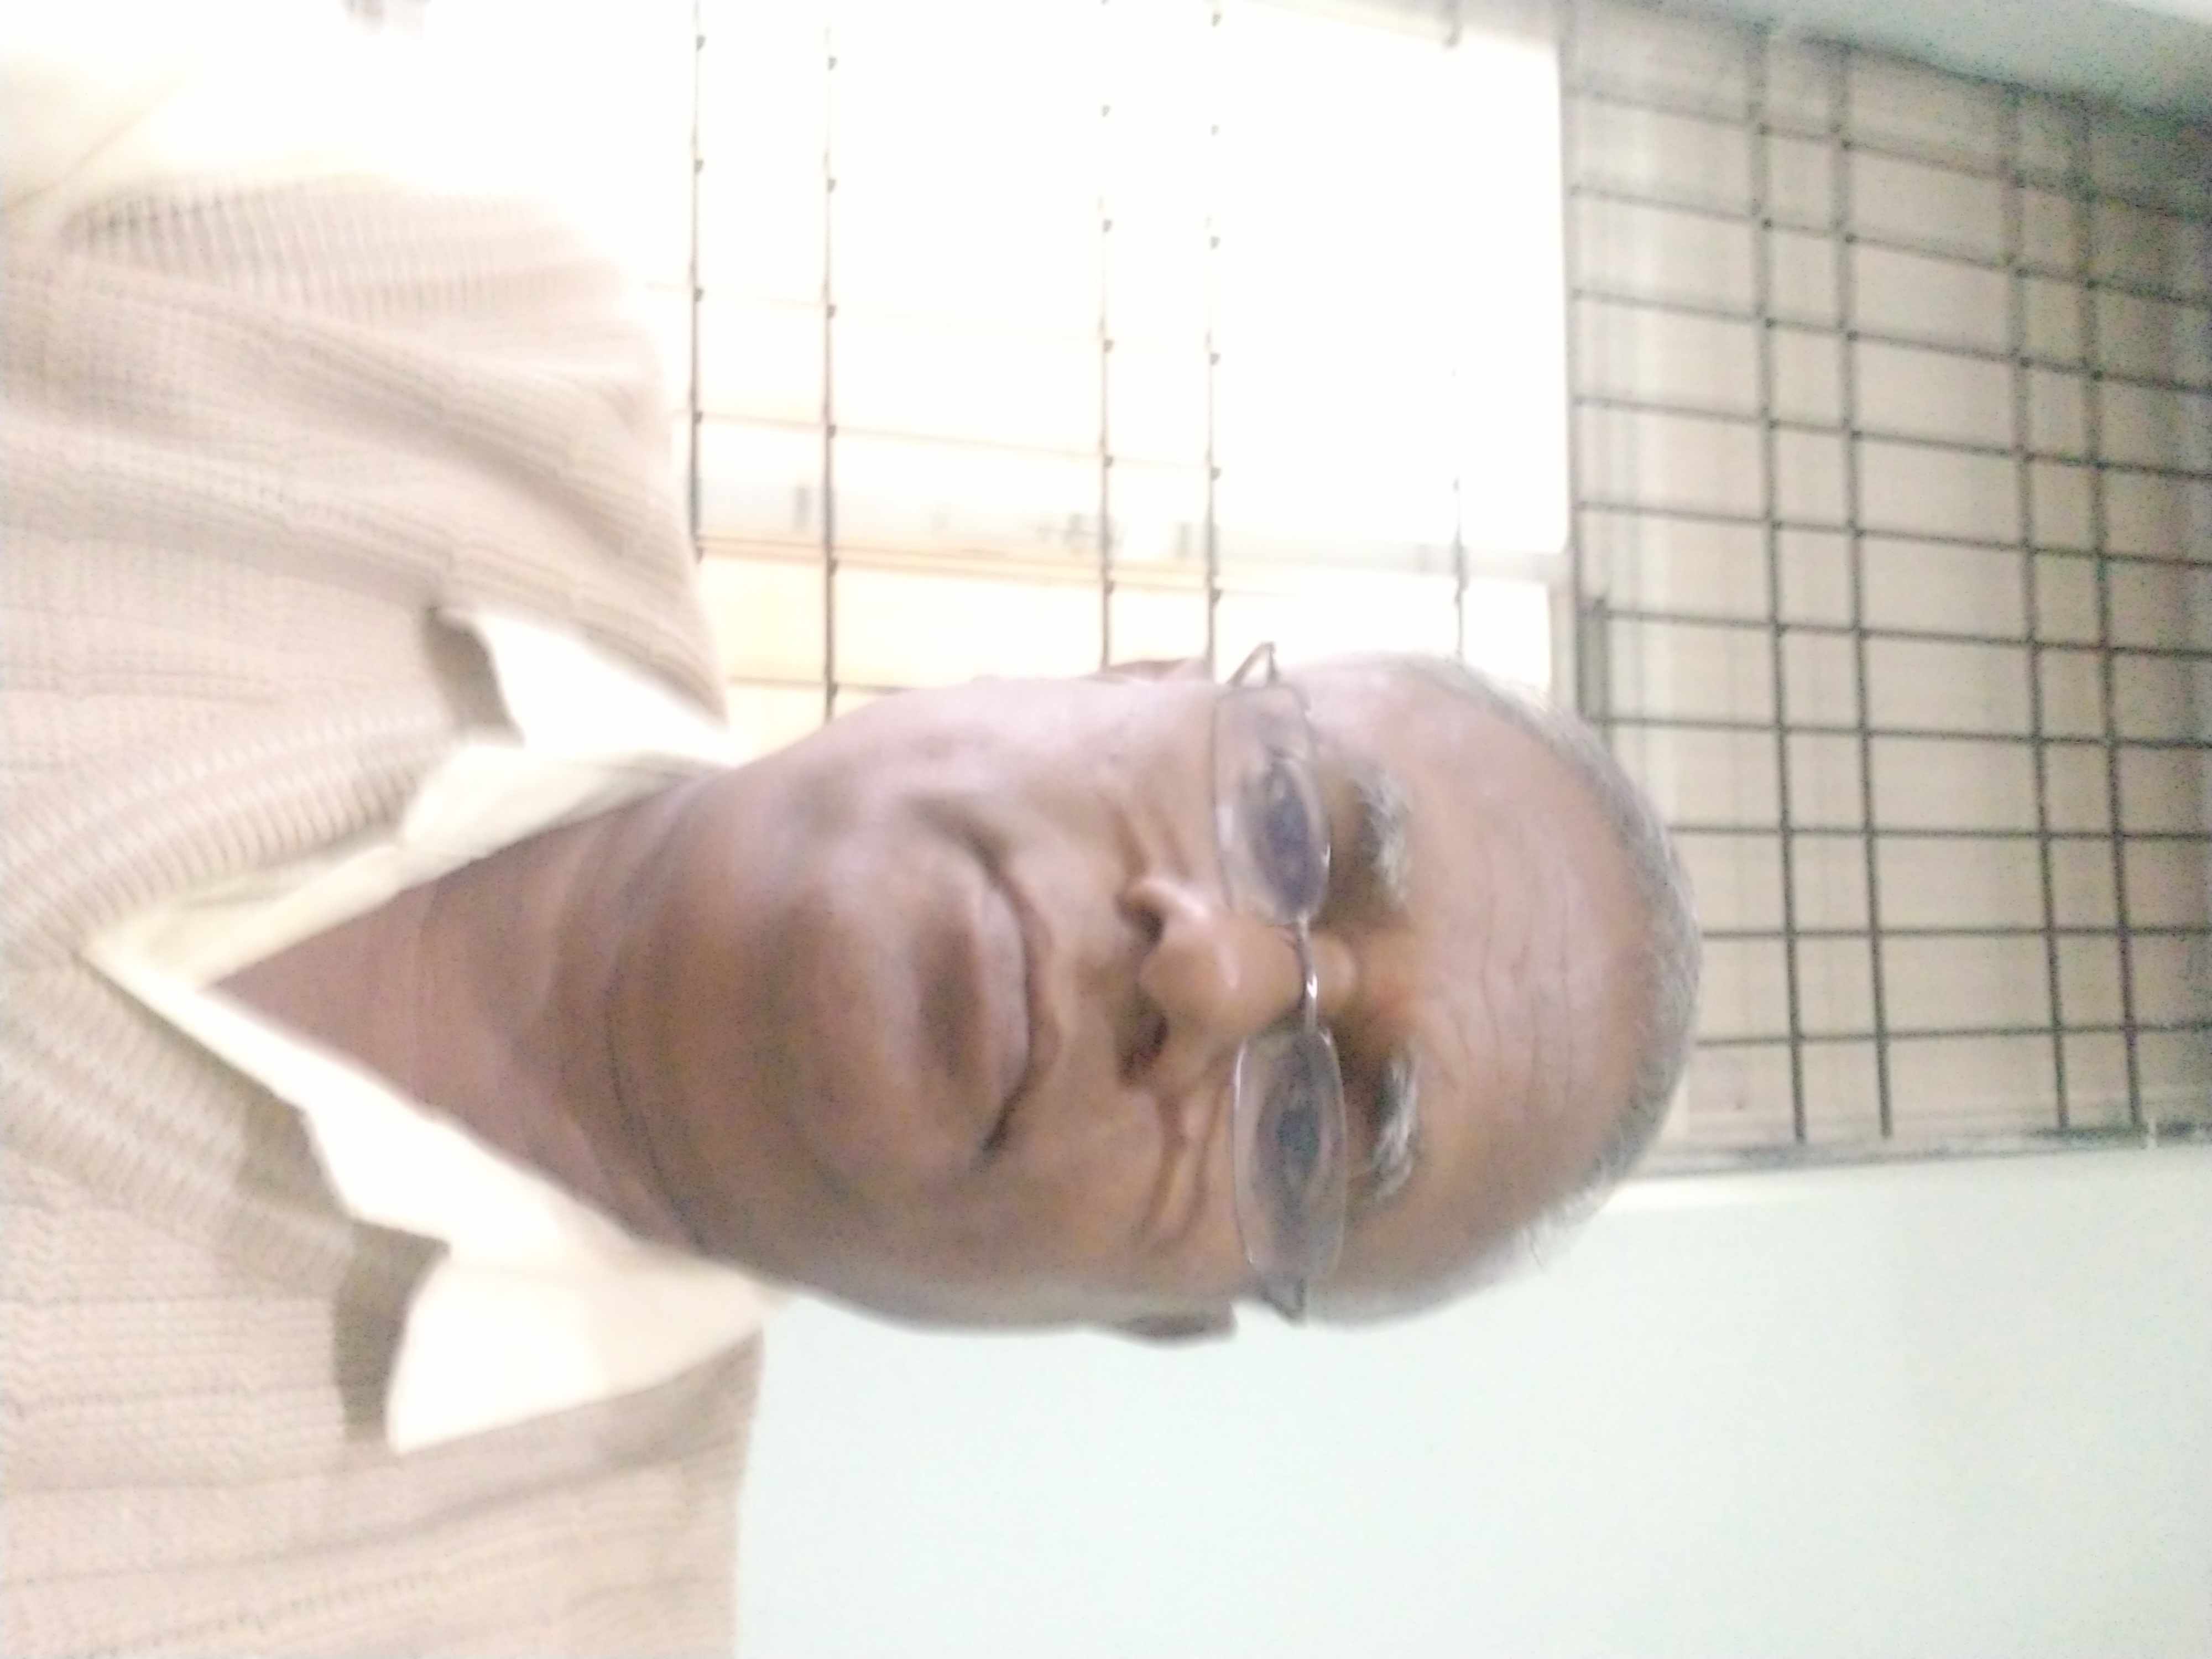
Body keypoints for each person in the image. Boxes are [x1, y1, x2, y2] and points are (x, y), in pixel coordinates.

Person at [1, 10, 1698, 1656]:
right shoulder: (421, 281)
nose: (1209, 974)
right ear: (1124, 676)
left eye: (1308, 1135)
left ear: (1147, 1316)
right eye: (1280, 816)